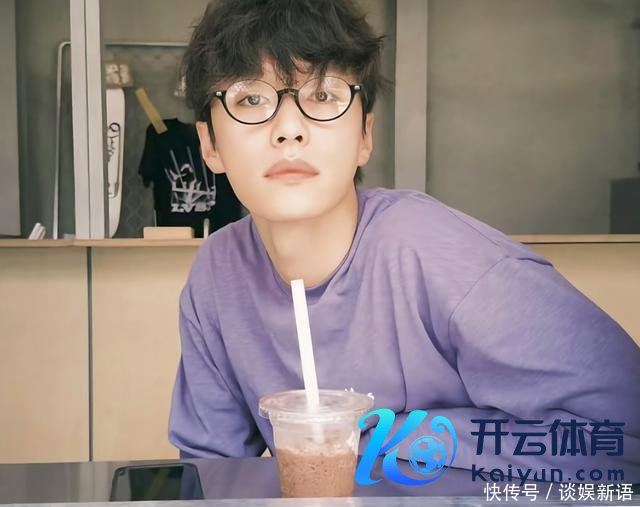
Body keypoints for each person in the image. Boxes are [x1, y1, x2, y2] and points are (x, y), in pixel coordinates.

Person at [168, 0, 640, 481]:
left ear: (364, 137)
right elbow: (210, 471)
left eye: (324, 95)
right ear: (210, 145)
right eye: (250, 99)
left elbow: (624, 435)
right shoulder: (219, 273)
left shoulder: (439, 257)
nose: (289, 130)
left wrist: (386, 438)